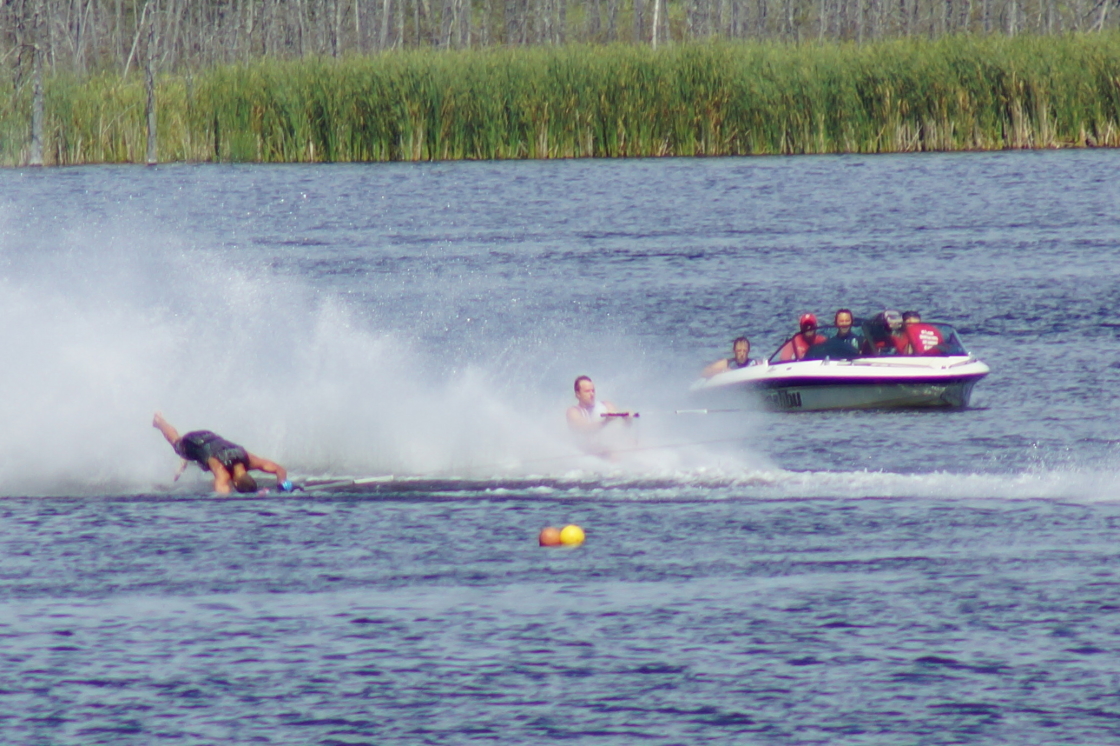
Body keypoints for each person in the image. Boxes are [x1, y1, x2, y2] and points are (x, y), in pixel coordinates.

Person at [153, 412, 292, 494]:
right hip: (194, 443)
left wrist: (282, 483)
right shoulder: (223, 472)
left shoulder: (247, 459)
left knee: (202, 460)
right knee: (176, 442)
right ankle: (159, 421)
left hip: (209, 436)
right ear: (235, 484)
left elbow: (279, 469)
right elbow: (221, 492)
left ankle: (185, 460)